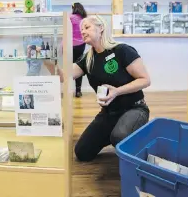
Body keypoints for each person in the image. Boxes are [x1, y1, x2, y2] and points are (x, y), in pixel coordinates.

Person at [48, 14, 151, 162]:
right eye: (81, 29)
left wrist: (117, 91)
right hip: (109, 113)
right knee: (82, 152)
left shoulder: (122, 50)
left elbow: (145, 80)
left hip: (134, 108)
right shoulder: (87, 59)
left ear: (101, 28)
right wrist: (49, 63)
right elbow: (63, 77)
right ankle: (117, 133)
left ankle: (129, 133)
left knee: (120, 136)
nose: (82, 31)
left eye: (87, 27)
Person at [70, 3, 87, 98]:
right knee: (78, 66)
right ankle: (78, 90)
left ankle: (68, 89)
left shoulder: (70, 17)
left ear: (74, 8)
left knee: (69, 67)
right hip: (81, 45)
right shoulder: (84, 19)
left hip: (71, 45)